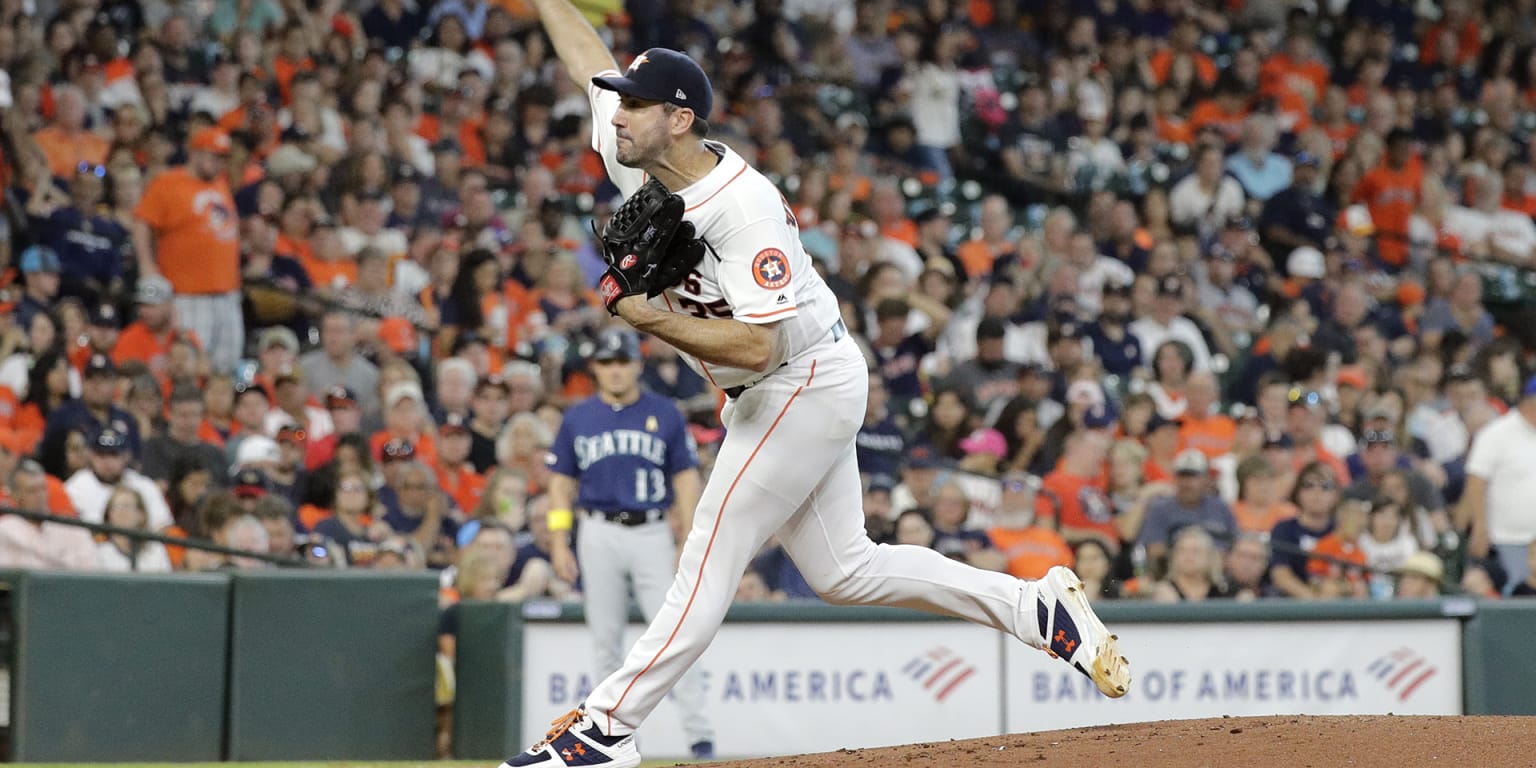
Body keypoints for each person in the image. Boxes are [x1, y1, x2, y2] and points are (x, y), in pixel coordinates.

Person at [502, 9, 1128, 767]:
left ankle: (604, 732)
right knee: (846, 570)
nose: (616, 113)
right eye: (621, 101)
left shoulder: (743, 209)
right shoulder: (641, 152)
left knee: (709, 550)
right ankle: (1036, 608)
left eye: (634, 103)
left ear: (680, 117)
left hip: (797, 376)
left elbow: (759, 342)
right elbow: (585, 61)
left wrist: (642, 316)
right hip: (779, 386)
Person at [542, 328, 715, 759]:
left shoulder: (666, 412)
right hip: (597, 530)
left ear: (639, 364)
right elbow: (561, 486)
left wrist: (688, 536)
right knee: (606, 641)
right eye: (606, 362)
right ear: (595, 368)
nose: (615, 370)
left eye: (622, 362)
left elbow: (686, 480)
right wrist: (560, 543)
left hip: (653, 531)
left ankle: (700, 736)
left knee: (675, 637)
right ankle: (612, 740)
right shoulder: (578, 417)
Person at [131, 127, 244, 373]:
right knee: (189, 366)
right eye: (214, 155)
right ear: (195, 153)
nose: (219, 163)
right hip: (187, 294)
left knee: (226, 367)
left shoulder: (220, 184)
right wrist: (147, 266)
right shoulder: (168, 182)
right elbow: (142, 224)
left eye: (223, 157)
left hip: (227, 292)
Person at [1463, 376, 1536, 594]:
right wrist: (1480, 526)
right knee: (1512, 604)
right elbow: (1476, 481)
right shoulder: (1497, 433)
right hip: (1506, 538)